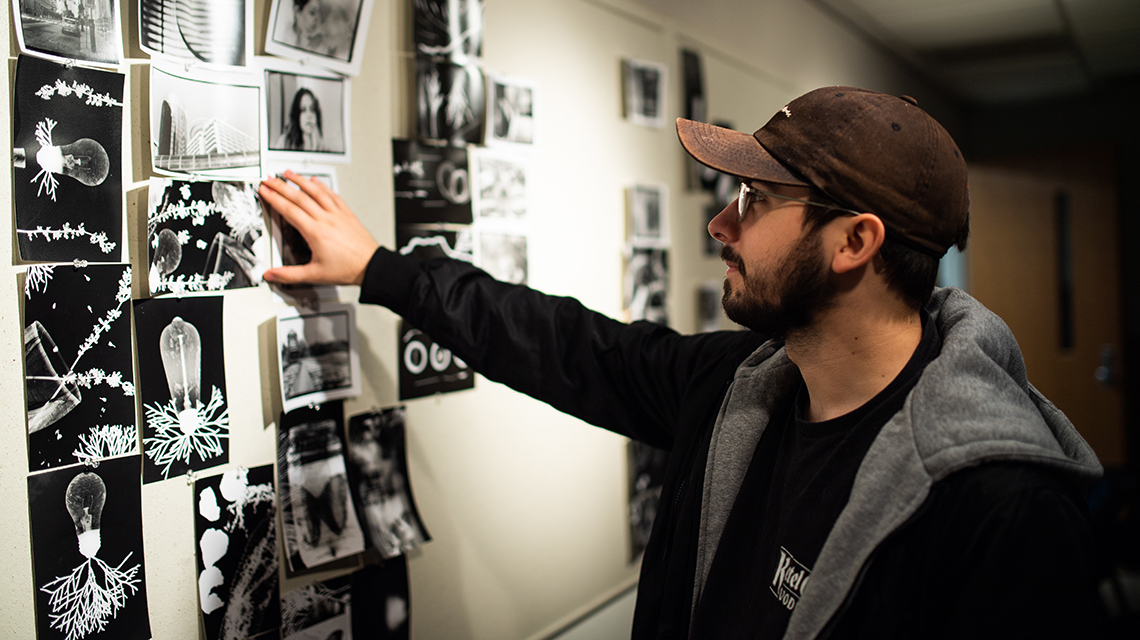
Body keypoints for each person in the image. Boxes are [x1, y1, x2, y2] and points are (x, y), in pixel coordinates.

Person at [259, 86, 1105, 639]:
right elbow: (564, 345)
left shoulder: (1002, 504)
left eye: (757, 201)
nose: (722, 226)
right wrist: (379, 269)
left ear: (856, 242)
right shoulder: (742, 387)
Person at [275, 88, 326, 152]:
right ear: (297, 114)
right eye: (303, 110)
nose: (309, 115)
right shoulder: (284, 142)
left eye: (312, 109)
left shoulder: (322, 146)